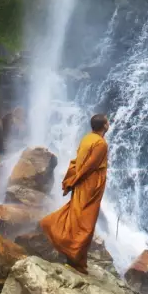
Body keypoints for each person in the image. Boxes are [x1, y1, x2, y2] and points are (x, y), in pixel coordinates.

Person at [40, 114, 110, 274]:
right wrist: (73, 180)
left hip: (82, 184)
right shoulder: (101, 143)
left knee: (75, 214)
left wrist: (72, 178)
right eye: (108, 121)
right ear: (104, 126)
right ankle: (75, 260)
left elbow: (77, 161)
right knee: (86, 223)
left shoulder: (87, 138)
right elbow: (89, 166)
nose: (109, 123)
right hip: (90, 186)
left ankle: (71, 254)